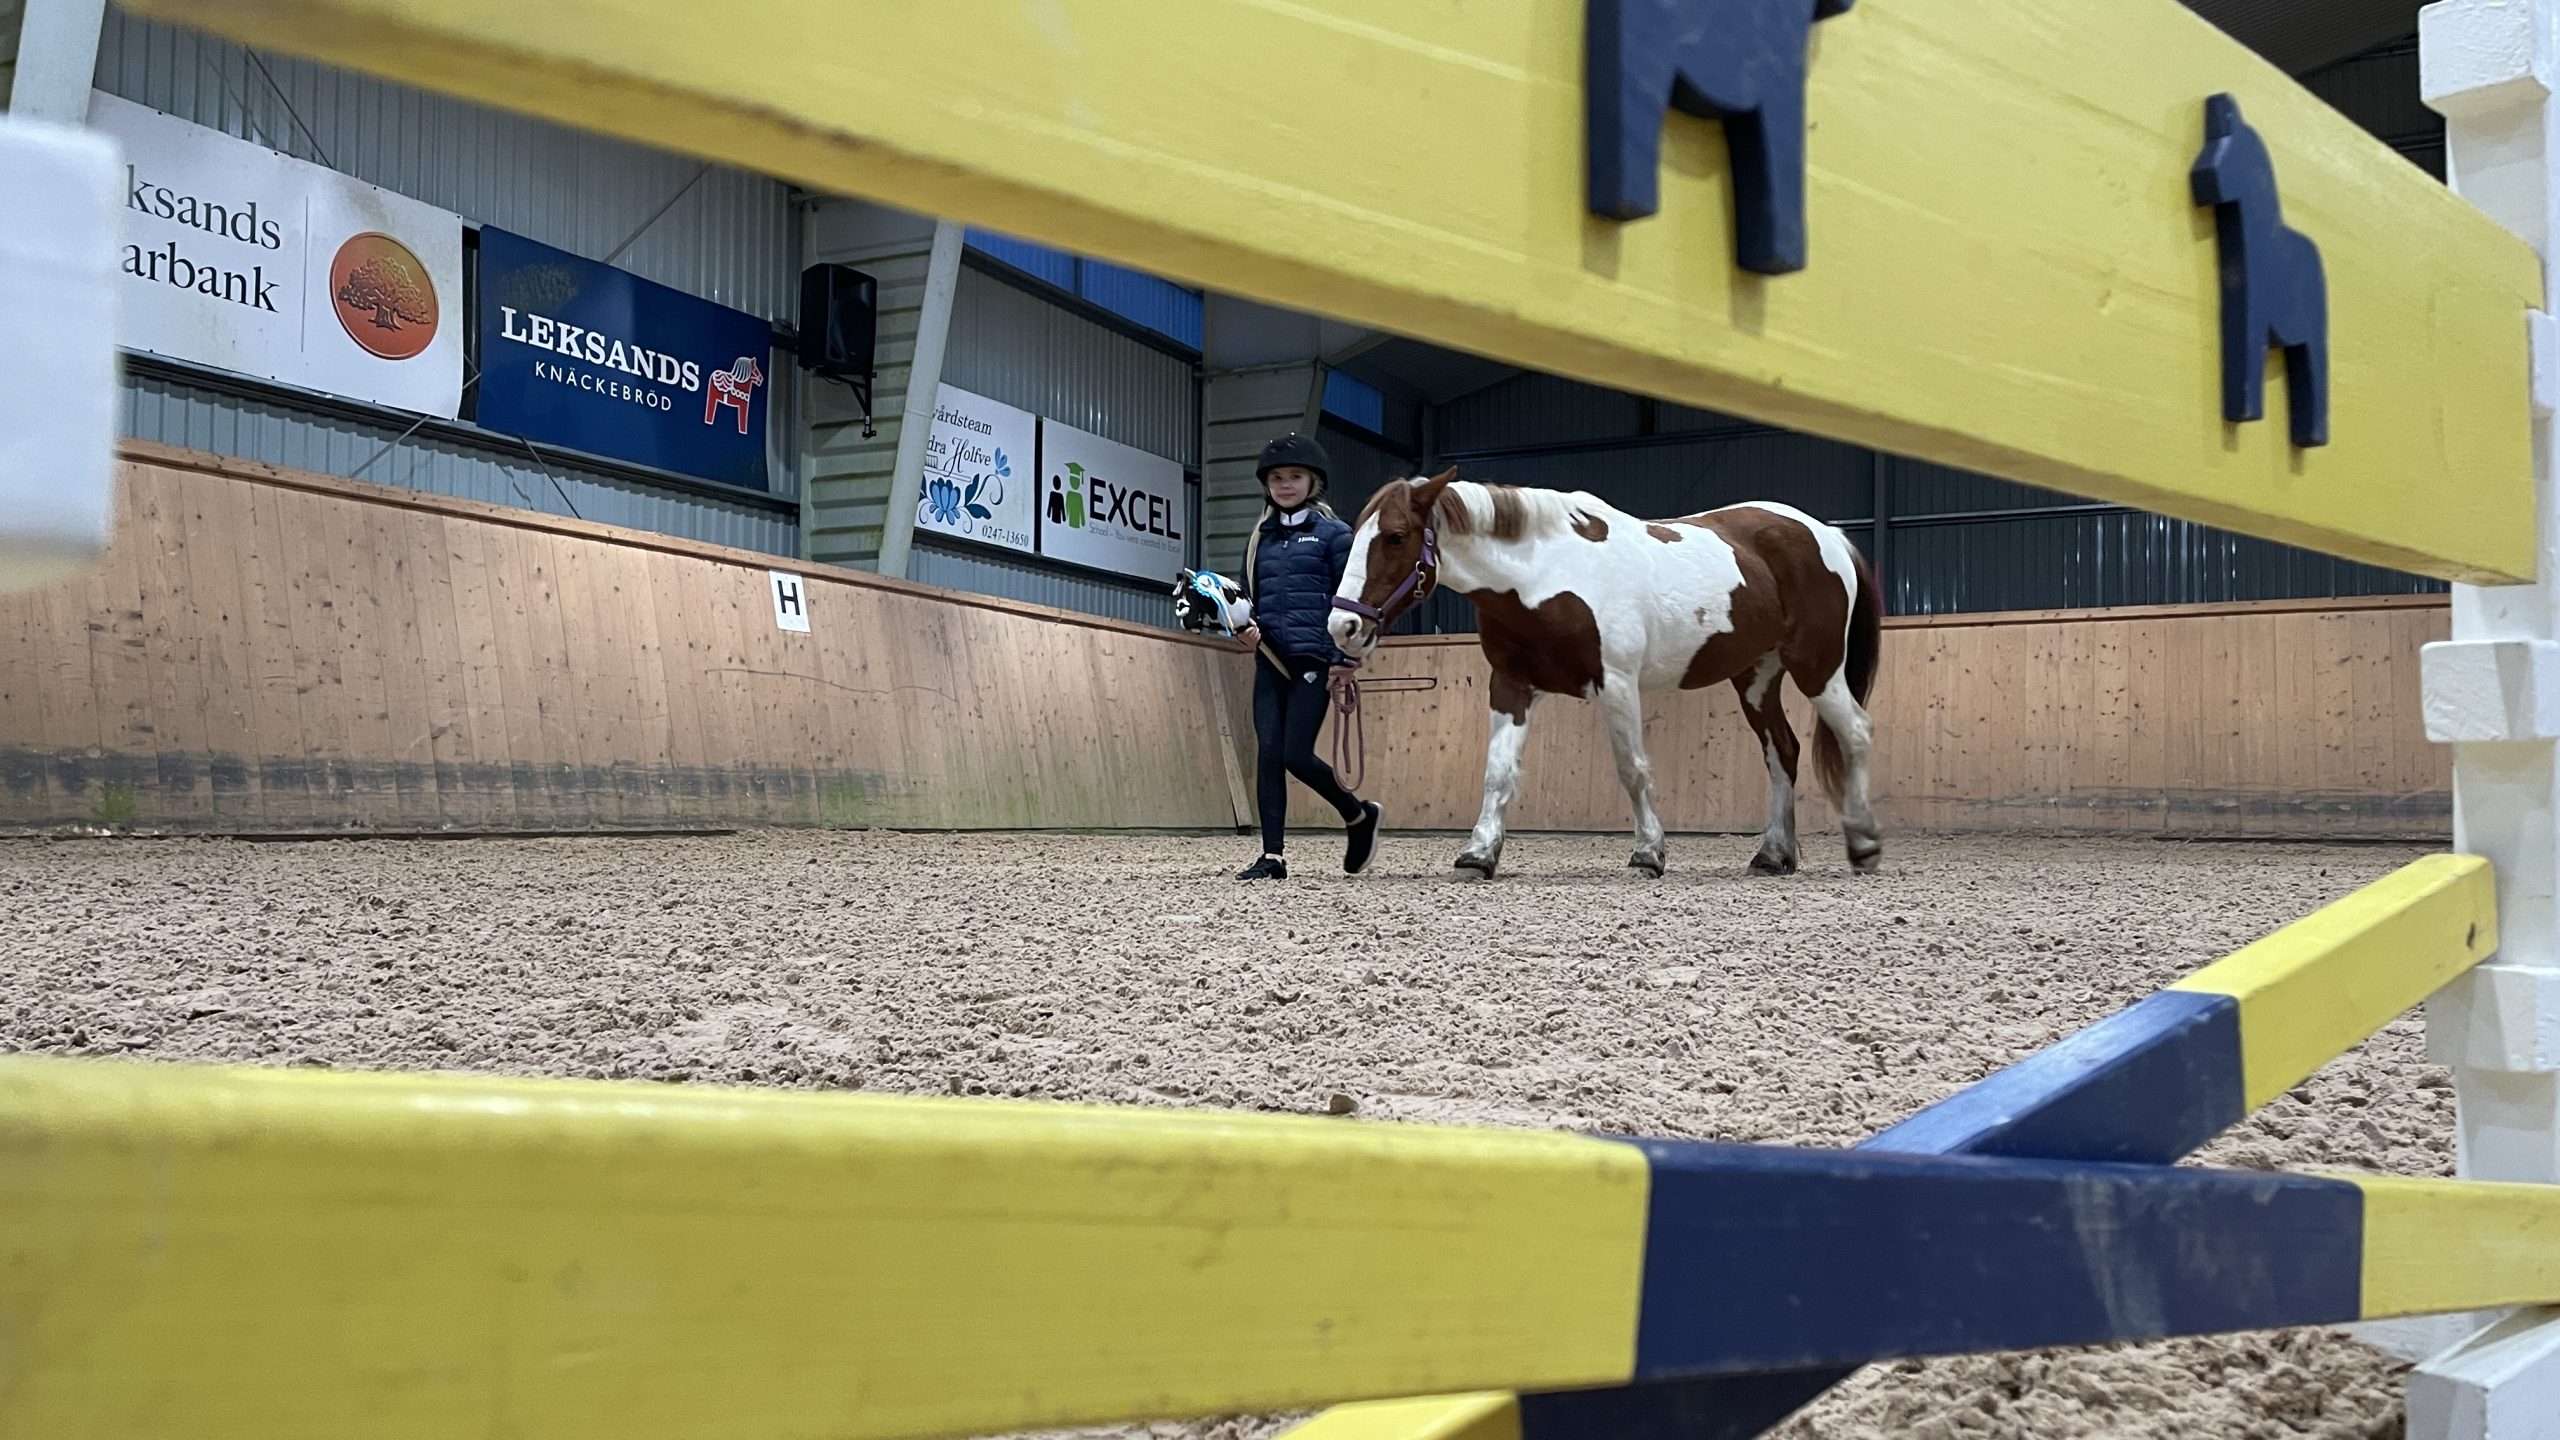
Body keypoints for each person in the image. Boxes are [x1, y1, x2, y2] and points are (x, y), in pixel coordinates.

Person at [1232, 433, 1383, 880]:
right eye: (1277, 478)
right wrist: (1241, 627)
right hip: (1270, 659)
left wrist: (1344, 658)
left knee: (1297, 755)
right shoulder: (1259, 538)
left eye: (1295, 476)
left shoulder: (1336, 536)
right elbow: (1247, 596)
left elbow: (1351, 597)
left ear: (1313, 481)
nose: (1285, 484)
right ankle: (1272, 856)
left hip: (1315, 658)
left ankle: (1358, 815)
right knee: (1268, 752)